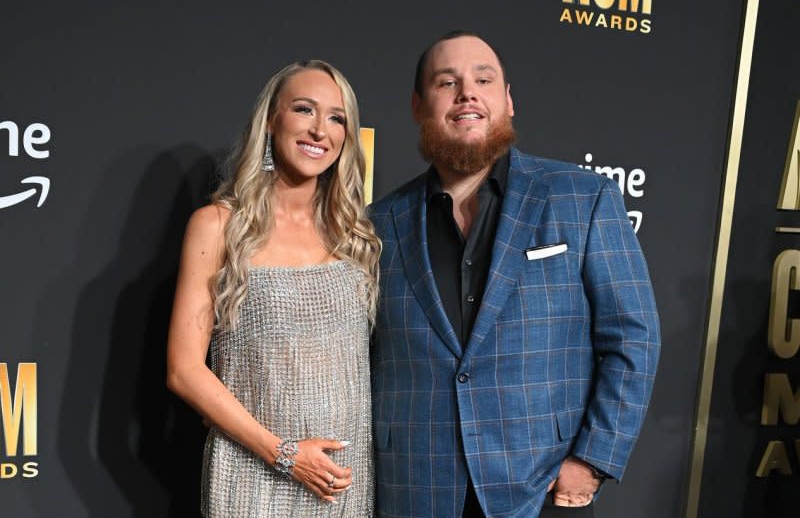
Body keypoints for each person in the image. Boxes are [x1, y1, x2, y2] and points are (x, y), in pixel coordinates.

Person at [369, 31, 660, 518]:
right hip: (414, 490)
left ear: (507, 100)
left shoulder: (581, 197)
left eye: (484, 79)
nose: (468, 93)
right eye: (447, 82)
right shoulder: (377, 224)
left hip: (541, 491)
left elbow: (634, 337)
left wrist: (591, 460)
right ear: (419, 106)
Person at [166, 60, 381, 517]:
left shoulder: (354, 235)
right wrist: (284, 454)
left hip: (344, 484)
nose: (320, 129)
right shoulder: (218, 227)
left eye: (336, 117)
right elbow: (184, 370)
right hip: (252, 479)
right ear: (270, 120)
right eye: (304, 110)